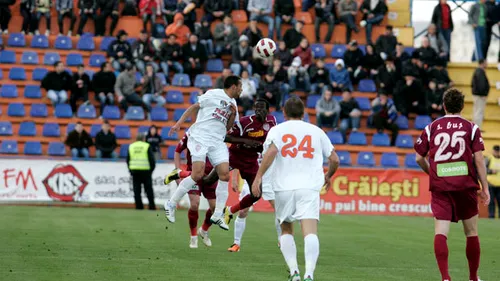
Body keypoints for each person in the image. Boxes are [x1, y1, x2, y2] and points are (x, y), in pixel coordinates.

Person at [164, 100, 280, 251]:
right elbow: (226, 137)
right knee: (206, 180)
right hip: (234, 157)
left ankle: (228, 212)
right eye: (256, 108)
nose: (259, 111)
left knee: (257, 193)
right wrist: (246, 141)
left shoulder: (272, 122)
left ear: (268, 110)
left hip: (250, 162)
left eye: (262, 108)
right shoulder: (244, 122)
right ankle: (180, 174)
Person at [251, 97, 339, 281]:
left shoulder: (277, 130)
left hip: (283, 187)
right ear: (304, 113)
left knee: (286, 230)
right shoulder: (316, 131)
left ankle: (294, 272)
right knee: (310, 232)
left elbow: (272, 152)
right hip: (308, 187)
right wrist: (328, 176)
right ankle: (309, 274)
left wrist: (258, 177)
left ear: (284, 112)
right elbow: (335, 159)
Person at [414, 88, 490, 281]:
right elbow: (479, 160)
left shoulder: (432, 127)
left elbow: (418, 158)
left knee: (441, 232)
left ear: (444, 105)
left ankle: (446, 278)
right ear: (463, 106)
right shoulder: (471, 128)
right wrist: (485, 188)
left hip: (441, 187)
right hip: (465, 186)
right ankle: (473, 277)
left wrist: (433, 173)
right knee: (471, 232)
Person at [164, 76, 243, 231]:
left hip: (217, 141)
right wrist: (179, 123)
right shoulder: (214, 93)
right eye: (240, 87)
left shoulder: (234, 103)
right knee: (197, 175)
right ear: (233, 87)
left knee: (225, 175)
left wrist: (233, 115)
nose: (242, 90)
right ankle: (171, 203)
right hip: (200, 137)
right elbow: (195, 107)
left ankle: (218, 214)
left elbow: (228, 127)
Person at [171, 131, 215, 248]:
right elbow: (177, 151)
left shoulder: (215, 130)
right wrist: (177, 170)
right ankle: (193, 236)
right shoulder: (191, 133)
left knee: (214, 208)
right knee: (195, 205)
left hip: (211, 174)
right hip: (194, 174)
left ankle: (204, 229)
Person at [127, 133, 156, 210]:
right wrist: (151, 170)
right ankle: (151, 207)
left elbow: (128, 160)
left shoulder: (131, 146)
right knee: (149, 190)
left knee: (137, 191)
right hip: (146, 171)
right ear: (144, 138)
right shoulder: (146, 146)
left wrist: (130, 170)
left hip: (135, 171)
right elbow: (152, 160)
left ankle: (139, 207)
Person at [471, 59, 490, 130]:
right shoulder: (480, 72)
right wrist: (483, 94)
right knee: (478, 112)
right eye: (486, 63)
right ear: (482, 63)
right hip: (480, 95)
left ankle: (475, 128)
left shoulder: (478, 71)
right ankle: (477, 128)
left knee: (477, 111)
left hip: (478, 94)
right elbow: (481, 84)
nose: (487, 64)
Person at [486, 145, 500, 218]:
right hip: (490, 184)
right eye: (496, 151)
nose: (497, 153)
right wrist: (491, 171)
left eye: (498, 151)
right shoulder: (489, 158)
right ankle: (491, 216)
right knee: (491, 202)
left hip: (499, 185)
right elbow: (483, 169)